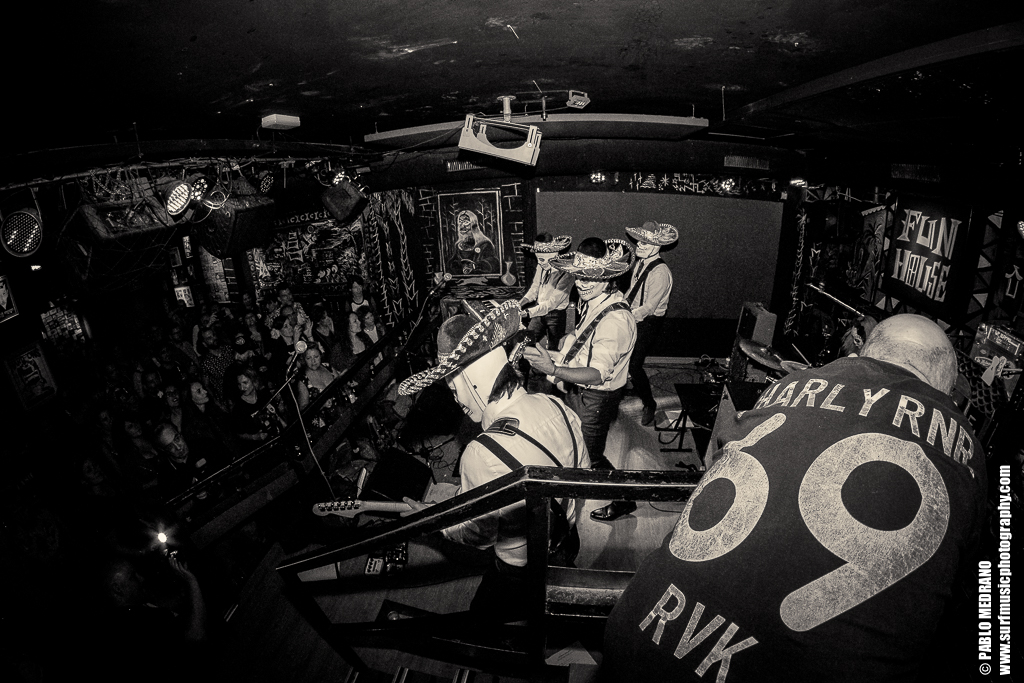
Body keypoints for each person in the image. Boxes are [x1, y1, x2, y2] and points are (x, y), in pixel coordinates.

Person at [600, 314, 988, 683]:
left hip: (640, 634)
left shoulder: (791, 384)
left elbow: (719, 462)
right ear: (945, 388)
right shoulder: (970, 451)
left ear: (864, 351)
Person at [398, 301, 590, 621]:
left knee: (484, 621)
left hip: (519, 569)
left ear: (471, 380)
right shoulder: (556, 405)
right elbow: (581, 474)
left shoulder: (481, 453)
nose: (454, 396)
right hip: (567, 543)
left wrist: (435, 521)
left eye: (453, 383)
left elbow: (479, 536)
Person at [524, 237, 638, 523]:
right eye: (579, 276)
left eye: (590, 278)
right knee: (574, 440)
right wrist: (567, 341)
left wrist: (554, 369)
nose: (581, 283)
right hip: (580, 388)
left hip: (597, 396)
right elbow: (585, 336)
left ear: (608, 278)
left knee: (592, 456)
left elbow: (597, 374)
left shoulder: (615, 320)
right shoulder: (598, 299)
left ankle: (624, 499)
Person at [624, 221, 678, 426]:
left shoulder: (660, 273)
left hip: (648, 321)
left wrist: (625, 317)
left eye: (645, 243)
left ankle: (649, 403)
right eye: (639, 241)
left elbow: (648, 307)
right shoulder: (640, 263)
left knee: (634, 364)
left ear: (657, 246)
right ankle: (631, 386)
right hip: (634, 315)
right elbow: (632, 291)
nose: (639, 245)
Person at [519, 233, 575, 352]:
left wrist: (528, 312)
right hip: (538, 312)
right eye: (539, 259)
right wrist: (520, 304)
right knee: (526, 343)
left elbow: (552, 303)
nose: (542, 263)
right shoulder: (541, 267)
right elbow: (534, 289)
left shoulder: (566, 273)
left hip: (555, 315)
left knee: (554, 349)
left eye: (547, 260)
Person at [448, 209, 499, 275]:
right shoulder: (458, 245)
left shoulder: (484, 244)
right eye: (460, 222)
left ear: (473, 225)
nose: (462, 225)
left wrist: (476, 265)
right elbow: (452, 263)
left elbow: (493, 262)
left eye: (466, 222)